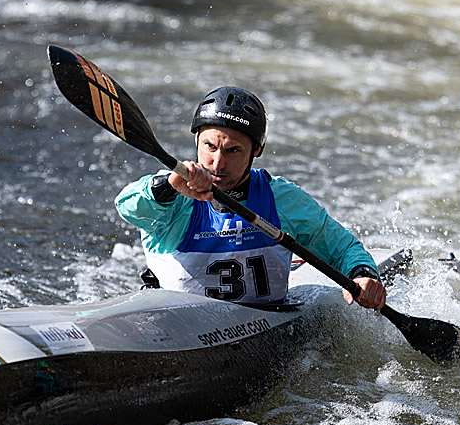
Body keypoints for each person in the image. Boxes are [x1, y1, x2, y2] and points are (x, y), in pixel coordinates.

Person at [115, 86, 386, 309]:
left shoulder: (281, 199)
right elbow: (127, 207)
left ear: (255, 151)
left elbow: (342, 248)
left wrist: (363, 274)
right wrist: (169, 185)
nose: (217, 163)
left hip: (261, 326)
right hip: (175, 325)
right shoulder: (172, 194)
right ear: (196, 139)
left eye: (233, 151)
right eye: (210, 146)